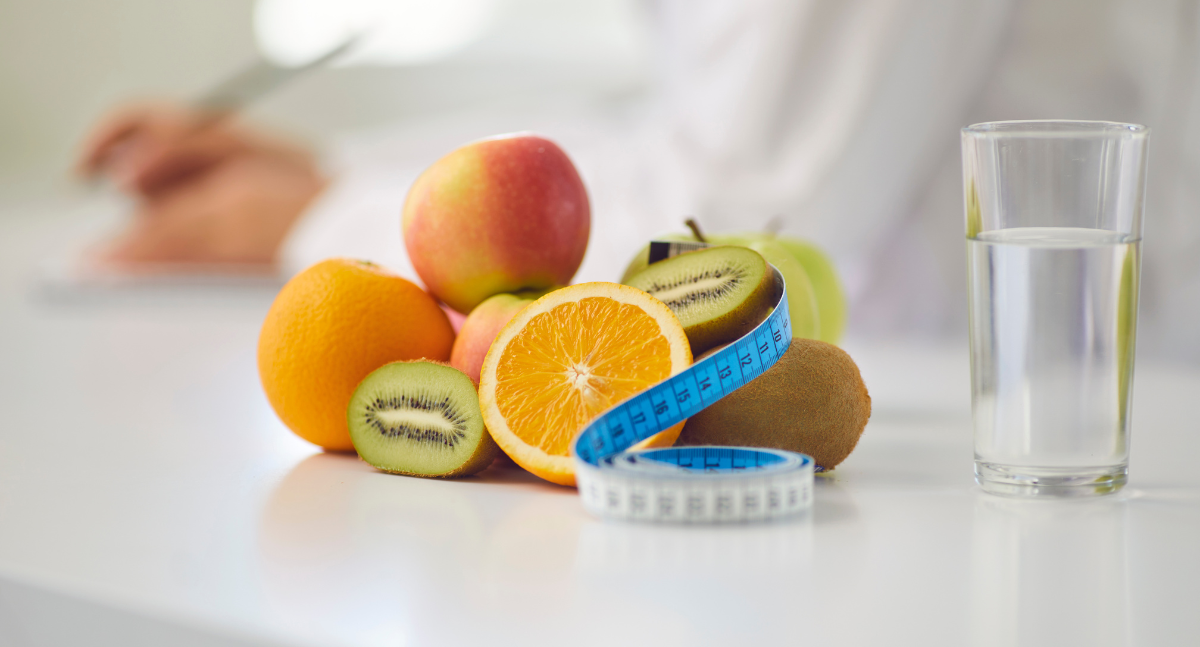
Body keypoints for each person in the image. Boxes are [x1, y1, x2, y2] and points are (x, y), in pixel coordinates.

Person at [77, 0, 1200, 360]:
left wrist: (316, 220)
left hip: (1087, 410)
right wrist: (333, 170)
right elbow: (683, 127)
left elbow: (751, 207)